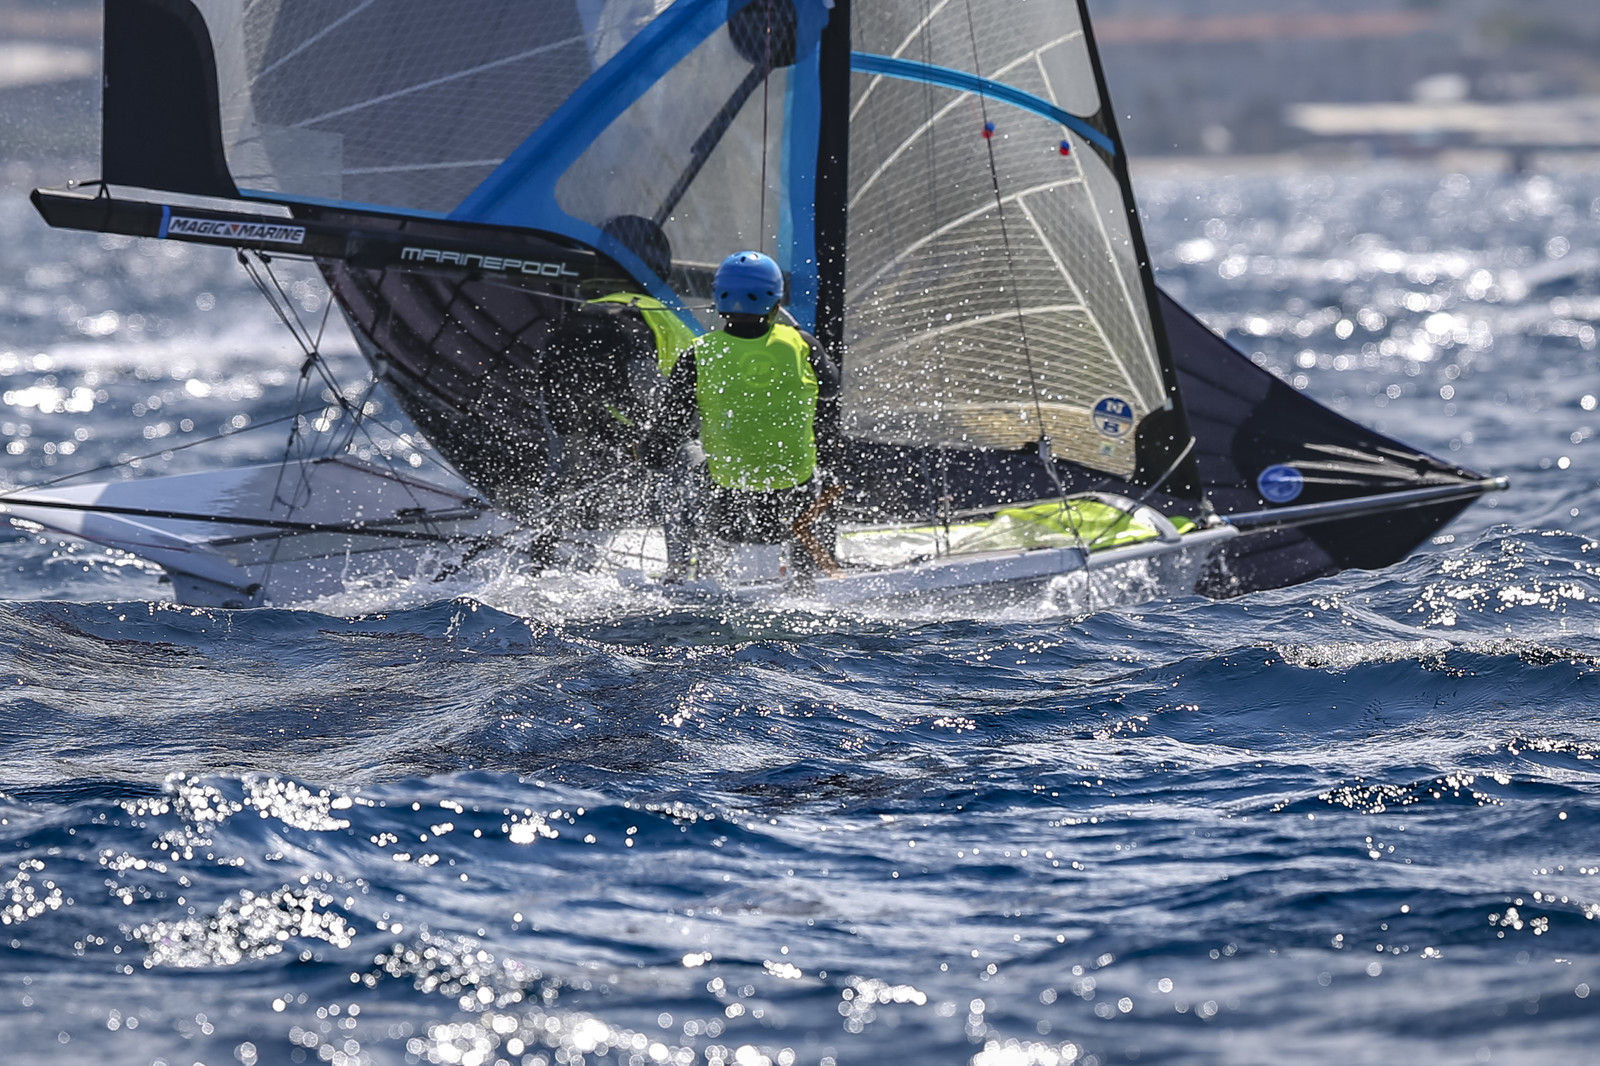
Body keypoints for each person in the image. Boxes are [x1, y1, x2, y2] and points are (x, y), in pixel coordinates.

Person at [641, 250, 841, 576]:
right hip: (794, 486)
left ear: (718, 300)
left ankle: (689, 569)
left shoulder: (697, 355)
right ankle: (807, 579)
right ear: (776, 303)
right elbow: (831, 389)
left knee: (682, 458)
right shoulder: (802, 344)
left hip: (727, 493)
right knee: (823, 480)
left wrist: (651, 453)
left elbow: (665, 435)